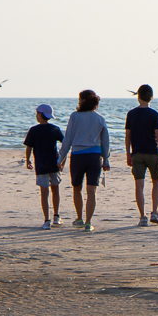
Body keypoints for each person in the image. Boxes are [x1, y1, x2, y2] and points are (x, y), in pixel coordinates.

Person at [57, 89, 110, 231]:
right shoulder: (100, 118)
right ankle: (88, 222)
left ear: (83, 101)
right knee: (91, 190)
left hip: (78, 156)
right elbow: (105, 142)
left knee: (77, 188)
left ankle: (79, 218)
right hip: (94, 157)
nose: (78, 101)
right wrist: (106, 159)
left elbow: (67, 139)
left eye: (79, 99)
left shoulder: (74, 116)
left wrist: (60, 158)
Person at [124, 84, 158, 226]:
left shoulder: (131, 114)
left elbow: (128, 136)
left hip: (137, 153)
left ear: (138, 97)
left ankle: (142, 216)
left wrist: (128, 153)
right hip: (152, 152)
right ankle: (154, 212)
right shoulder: (154, 114)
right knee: (156, 182)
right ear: (151, 97)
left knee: (139, 185)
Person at [23, 103, 65, 229]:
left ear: (40, 115)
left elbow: (29, 148)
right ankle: (56, 216)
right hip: (54, 163)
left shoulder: (34, 130)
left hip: (41, 165)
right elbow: (65, 144)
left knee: (44, 192)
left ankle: (46, 220)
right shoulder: (55, 129)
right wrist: (62, 160)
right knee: (55, 189)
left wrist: (28, 160)